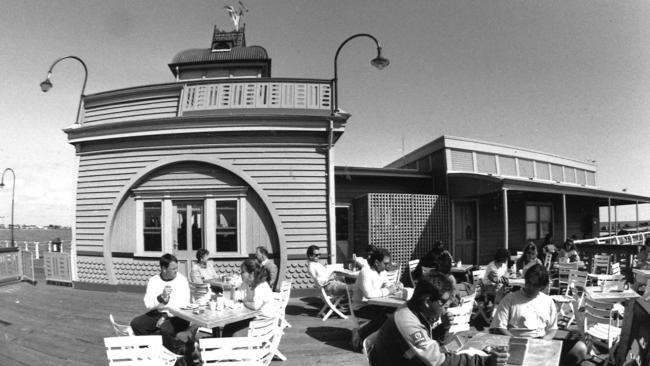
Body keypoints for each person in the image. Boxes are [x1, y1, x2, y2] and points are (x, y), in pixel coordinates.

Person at [370, 271, 508, 366]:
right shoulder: (408, 322)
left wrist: (444, 327)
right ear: (427, 301)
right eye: (443, 302)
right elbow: (439, 362)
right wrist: (484, 362)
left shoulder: (414, 311)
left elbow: (428, 343)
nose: (447, 306)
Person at [490, 264, 587, 366]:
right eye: (528, 283)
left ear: (542, 286)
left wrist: (544, 341)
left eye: (535, 285)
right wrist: (518, 342)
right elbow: (498, 327)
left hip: (541, 342)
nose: (530, 287)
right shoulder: (510, 298)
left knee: (580, 348)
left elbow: (552, 329)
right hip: (515, 342)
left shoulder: (548, 301)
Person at [130, 254, 195, 361]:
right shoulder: (154, 281)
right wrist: (161, 297)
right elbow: (148, 304)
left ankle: (171, 357)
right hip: (158, 313)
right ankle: (150, 352)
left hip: (179, 316)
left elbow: (183, 304)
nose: (176, 271)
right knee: (136, 324)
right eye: (173, 268)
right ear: (164, 269)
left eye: (176, 268)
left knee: (165, 328)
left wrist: (165, 316)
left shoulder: (181, 280)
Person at [351, 246, 403, 350]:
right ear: (376, 262)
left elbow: (388, 284)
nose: (388, 266)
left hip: (375, 305)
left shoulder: (382, 272)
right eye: (385, 263)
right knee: (383, 317)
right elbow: (369, 294)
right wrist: (388, 290)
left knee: (397, 313)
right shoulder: (365, 272)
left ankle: (385, 340)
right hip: (360, 307)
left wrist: (397, 286)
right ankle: (360, 334)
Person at [222, 259, 276, 337]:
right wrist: (232, 288)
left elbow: (255, 306)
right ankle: (223, 347)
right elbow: (237, 297)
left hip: (264, 322)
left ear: (251, 273)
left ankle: (230, 347)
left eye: (243, 272)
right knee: (228, 327)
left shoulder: (260, 285)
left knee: (235, 335)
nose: (240, 274)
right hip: (253, 318)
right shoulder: (246, 283)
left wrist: (244, 302)